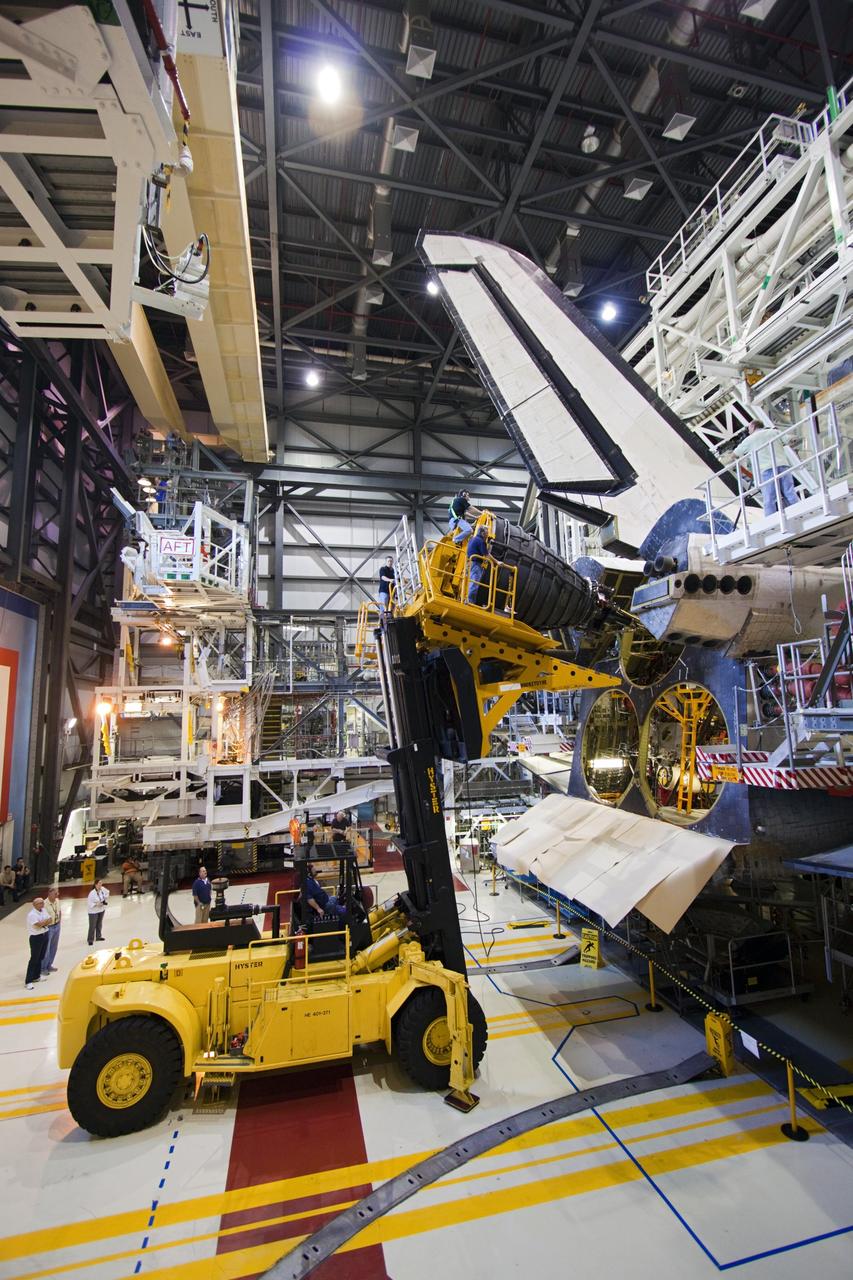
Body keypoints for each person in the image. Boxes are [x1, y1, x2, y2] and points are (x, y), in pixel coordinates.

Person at [731, 419, 797, 515]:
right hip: (782, 465)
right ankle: (798, 509)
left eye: (749, 428)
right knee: (789, 492)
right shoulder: (774, 432)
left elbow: (734, 454)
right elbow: (791, 439)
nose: (748, 431)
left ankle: (770, 519)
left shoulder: (749, 439)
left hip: (766, 470)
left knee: (769, 498)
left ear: (753, 427)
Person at [25, 898, 50, 989]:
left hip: (44, 935)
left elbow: (50, 919)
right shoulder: (32, 915)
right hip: (36, 938)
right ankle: (28, 980)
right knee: (34, 958)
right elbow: (38, 925)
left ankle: (36, 976)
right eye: (40, 903)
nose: (42, 904)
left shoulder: (43, 910)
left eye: (42, 902)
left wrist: (43, 923)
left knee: (41, 956)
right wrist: (44, 922)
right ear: (34, 905)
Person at [466, 526, 492, 605]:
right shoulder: (481, 541)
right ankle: (470, 602)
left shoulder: (472, 539)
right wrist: (497, 562)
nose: (487, 535)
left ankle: (469, 600)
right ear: (482, 533)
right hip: (476, 564)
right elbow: (487, 555)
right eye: (487, 533)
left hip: (469, 564)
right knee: (474, 584)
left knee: (471, 583)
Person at [41, 887, 61, 976]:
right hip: (49, 928)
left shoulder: (57, 901)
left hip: (57, 925)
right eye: (55, 894)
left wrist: (59, 921)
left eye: (57, 893)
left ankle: (49, 965)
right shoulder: (44, 904)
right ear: (49, 894)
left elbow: (59, 911)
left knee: (54, 946)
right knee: (47, 949)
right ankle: (43, 968)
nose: (57, 895)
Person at [86, 879, 109, 946]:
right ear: (95, 884)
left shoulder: (102, 889)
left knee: (99, 924)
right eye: (99, 883)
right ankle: (90, 939)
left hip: (101, 910)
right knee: (92, 925)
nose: (100, 884)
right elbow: (89, 903)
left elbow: (107, 892)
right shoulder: (92, 893)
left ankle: (98, 937)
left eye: (101, 883)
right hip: (93, 912)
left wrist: (104, 898)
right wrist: (96, 904)